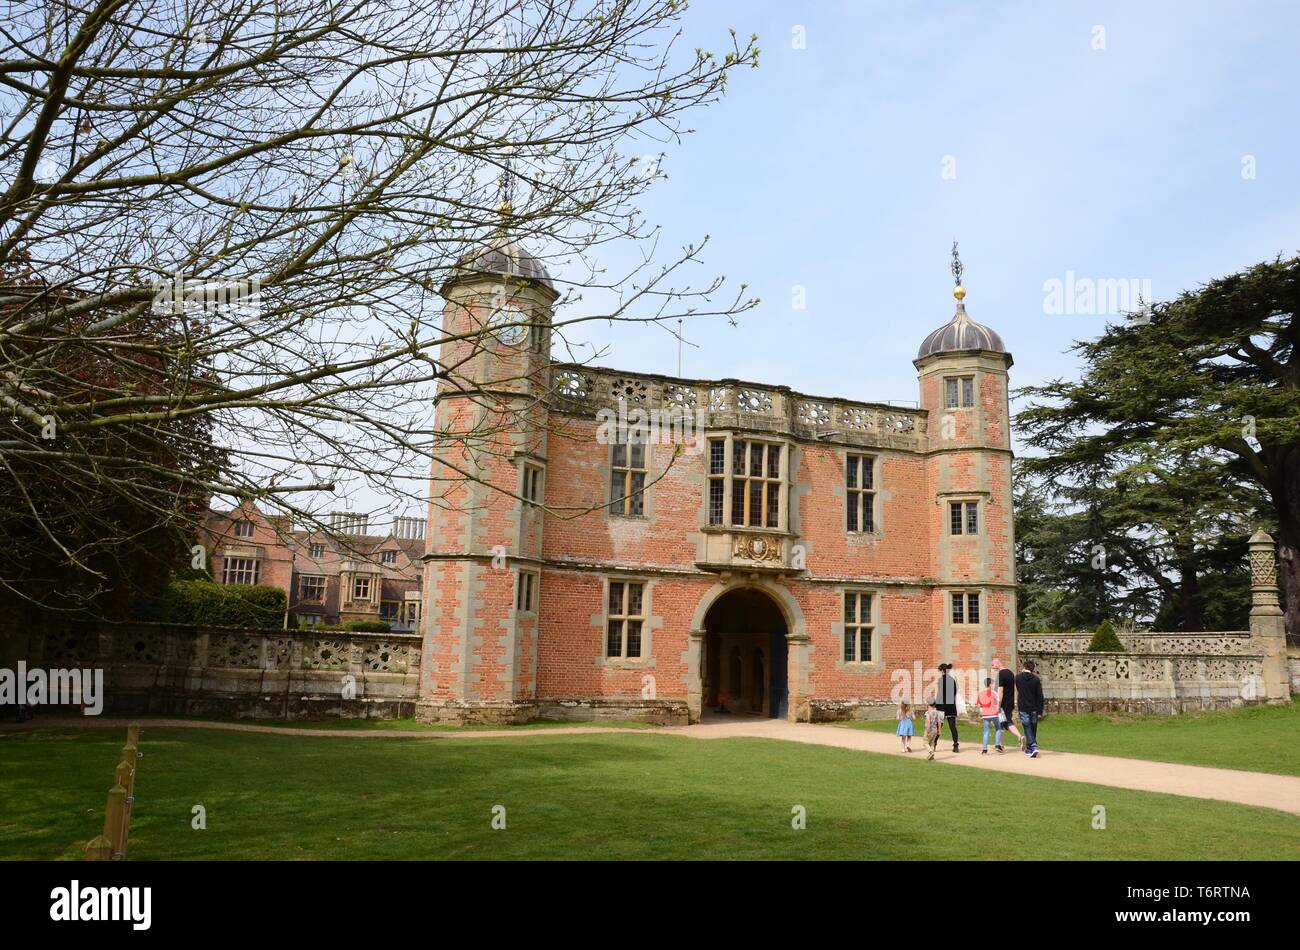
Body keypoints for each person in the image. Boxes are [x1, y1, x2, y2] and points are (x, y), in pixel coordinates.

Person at [1015, 659, 1045, 757]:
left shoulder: (1018, 678)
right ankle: (1029, 748)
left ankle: (1033, 745)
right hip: (1034, 707)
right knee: (1033, 727)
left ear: (1024, 667)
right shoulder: (1036, 679)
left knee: (1027, 726)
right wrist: (1040, 711)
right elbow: (1040, 696)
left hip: (1023, 706)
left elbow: (1018, 688)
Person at [991, 658, 1023, 751]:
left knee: (1000, 723)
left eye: (993, 665)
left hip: (1003, 703)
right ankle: (1017, 738)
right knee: (1006, 722)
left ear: (998, 663)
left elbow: (1000, 690)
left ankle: (1001, 745)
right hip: (1010, 701)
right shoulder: (1011, 673)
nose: (992, 667)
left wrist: (998, 704)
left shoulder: (1001, 674)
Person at [933, 662, 961, 752]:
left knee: (939, 726)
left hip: (941, 706)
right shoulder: (952, 680)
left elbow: (940, 694)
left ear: (942, 670)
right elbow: (955, 693)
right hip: (951, 706)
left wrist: (935, 705)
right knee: (953, 727)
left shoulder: (940, 680)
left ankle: (934, 744)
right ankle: (956, 746)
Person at [976, 677, 1002, 754]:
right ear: (990, 684)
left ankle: (984, 749)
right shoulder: (994, 693)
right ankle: (997, 745)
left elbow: (979, 705)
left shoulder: (981, 694)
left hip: (985, 715)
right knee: (998, 729)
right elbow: (998, 702)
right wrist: (998, 709)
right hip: (994, 714)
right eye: (992, 683)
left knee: (986, 732)